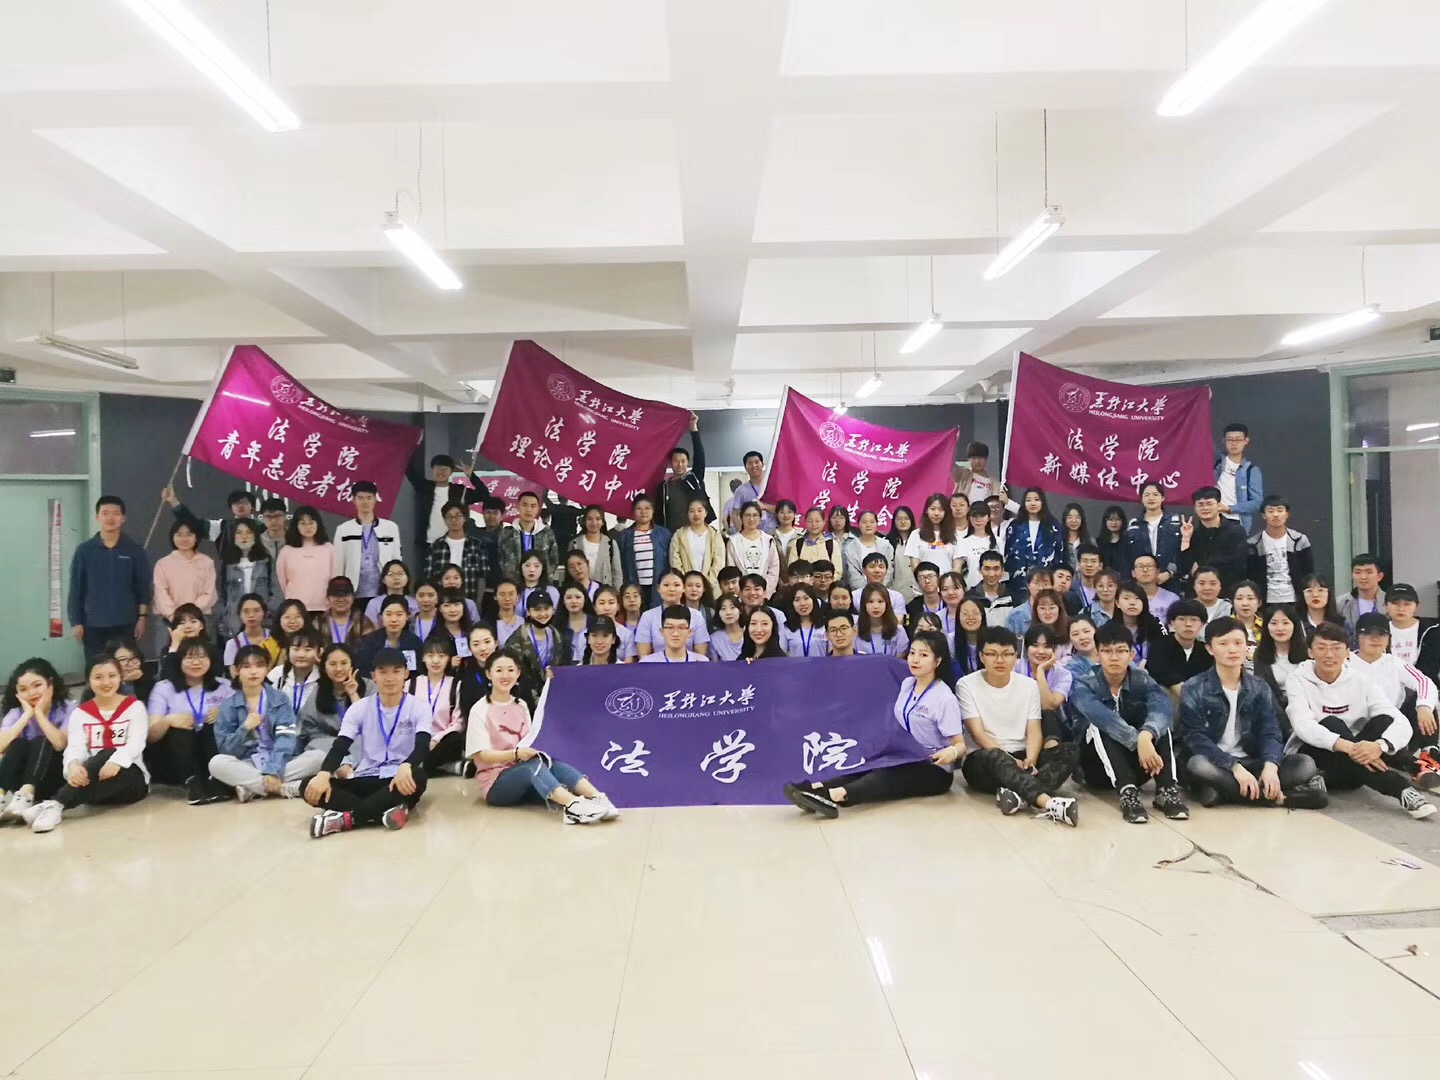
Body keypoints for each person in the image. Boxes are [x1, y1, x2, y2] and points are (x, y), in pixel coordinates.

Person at [784, 631, 965, 818]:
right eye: (912, 653)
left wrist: (950, 752)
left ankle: (833, 796)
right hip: (903, 755)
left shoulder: (944, 698)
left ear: (937, 661)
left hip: (933, 769)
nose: (915, 659)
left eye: (923, 655)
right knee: (868, 765)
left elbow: (960, 745)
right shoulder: (907, 684)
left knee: (885, 775)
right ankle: (816, 788)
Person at [1285, 623, 1435, 819]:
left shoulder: (1362, 680)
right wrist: (1349, 747)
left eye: (1336, 648)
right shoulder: (1297, 679)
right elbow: (1303, 725)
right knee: (1332, 723)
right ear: (1310, 652)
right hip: (1314, 749)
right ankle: (1401, 789)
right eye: (1321, 648)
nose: (1329, 655)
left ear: (1348, 652)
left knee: (1384, 720)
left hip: (1353, 751)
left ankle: (1325, 778)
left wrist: (1379, 746)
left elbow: (1399, 721)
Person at [1181, 618, 1326, 808]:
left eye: (1238, 643)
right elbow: (1195, 737)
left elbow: (1270, 731)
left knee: (1305, 764)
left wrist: (1270, 766)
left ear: (1247, 646)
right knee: (1198, 765)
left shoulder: (1258, 687)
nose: (1232, 649)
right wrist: (1234, 767)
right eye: (1223, 644)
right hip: (1216, 762)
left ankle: (1223, 791)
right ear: (1210, 649)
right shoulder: (1194, 687)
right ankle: (1276, 798)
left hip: (1253, 761)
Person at [950, 626, 1080, 825]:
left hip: (1022, 755)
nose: (1000, 660)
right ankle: (1048, 803)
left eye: (1006, 654)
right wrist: (1011, 760)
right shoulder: (966, 685)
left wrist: (1030, 760)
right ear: (982, 656)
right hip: (985, 759)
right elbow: (978, 734)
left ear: (1016, 656)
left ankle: (1017, 796)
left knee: (1070, 750)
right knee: (994, 756)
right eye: (992, 654)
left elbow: (1034, 730)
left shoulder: (1029, 685)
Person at [465, 652, 615, 824]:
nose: (505, 675)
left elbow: (531, 740)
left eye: (510, 670)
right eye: (499, 670)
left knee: (553, 764)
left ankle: (597, 797)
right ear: (488, 674)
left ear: (518, 673)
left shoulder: (521, 705)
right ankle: (573, 806)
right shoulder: (480, 710)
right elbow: (482, 755)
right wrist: (516, 754)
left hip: (523, 773)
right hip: (496, 784)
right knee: (532, 766)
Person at [302, 647, 432, 837]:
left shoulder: (419, 707)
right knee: (308, 785)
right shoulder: (359, 708)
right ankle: (385, 811)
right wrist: (323, 774)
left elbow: (422, 745)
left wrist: (407, 764)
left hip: (399, 778)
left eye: (396, 671)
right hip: (366, 776)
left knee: (418, 776)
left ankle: (346, 819)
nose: (389, 678)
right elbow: (340, 746)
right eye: (383, 672)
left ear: (406, 674)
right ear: (373, 676)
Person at [1070, 621, 1189, 823]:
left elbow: (1162, 707)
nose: (1114, 657)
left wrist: (1147, 735)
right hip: (1095, 768)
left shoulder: (1142, 679)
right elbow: (1102, 717)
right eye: (1107, 651)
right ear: (1097, 655)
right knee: (1100, 724)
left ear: (1131, 655)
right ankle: (1127, 793)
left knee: (1158, 723)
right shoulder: (1084, 684)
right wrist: (1139, 741)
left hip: (1142, 762)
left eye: (1121, 651)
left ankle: (1166, 790)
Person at [20, 655, 149, 833]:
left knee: (109, 752)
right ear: (88, 681)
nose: (106, 682)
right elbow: (75, 747)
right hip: (92, 784)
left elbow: (136, 743)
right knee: (95, 758)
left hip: (130, 783)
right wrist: (73, 766)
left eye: (112, 676)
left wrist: (116, 761)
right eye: (98, 677)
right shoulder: (80, 713)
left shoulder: (135, 707)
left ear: (120, 677)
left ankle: (55, 803)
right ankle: (55, 806)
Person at [207, 645, 302, 802]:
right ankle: (283, 788)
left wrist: (273, 770)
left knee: (317, 757)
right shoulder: (228, 706)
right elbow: (226, 749)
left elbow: (286, 738)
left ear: (267, 669)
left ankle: (252, 788)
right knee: (216, 763)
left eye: (259, 666)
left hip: (279, 760)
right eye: (246, 666)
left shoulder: (280, 699)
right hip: (248, 763)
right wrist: (244, 728)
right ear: (236, 671)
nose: (253, 672)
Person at [144, 636, 232, 803]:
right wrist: (168, 720)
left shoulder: (225, 686)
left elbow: (240, 723)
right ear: (179, 660)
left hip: (213, 750)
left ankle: (216, 780)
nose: (196, 662)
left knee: (213, 726)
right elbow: (151, 736)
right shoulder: (164, 688)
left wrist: (225, 715)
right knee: (180, 730)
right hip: (175, 756)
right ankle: (192, 783)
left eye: (202, 656)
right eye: (189, 657)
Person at [69, 495, 151, 658]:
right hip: (93, 624)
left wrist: (142, 618)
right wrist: (75, 622)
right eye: (105, 513)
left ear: (123, 518)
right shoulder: (84, 550)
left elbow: (142, 587)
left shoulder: (134, 550)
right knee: (96, 666)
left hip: (126, 623)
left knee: (125, 665)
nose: (110, 518)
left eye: (115, 513)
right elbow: (76, 588)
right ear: (97, 517)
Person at [1352, 612, 1439, 763]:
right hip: (1359, 729)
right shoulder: (1345, 662)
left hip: (1396, 725)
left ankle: (1429, 752)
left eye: (1382, 634)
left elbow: (1424, 682)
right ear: (1357, 636)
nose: (1375, 639)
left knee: (1422, 701)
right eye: (1368, 633)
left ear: (1389, 639)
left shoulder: (1395, 663)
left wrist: (1424, 707)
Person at [0, 659, 73, 820]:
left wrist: (39, 713)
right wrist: (27, 715)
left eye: (37, 685)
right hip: (19, 783)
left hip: (54, 778)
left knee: (42, 740)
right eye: (23, 689)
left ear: (50, 684)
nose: (31, 693)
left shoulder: (67, 708)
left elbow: (60, 744)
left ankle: (27, 793)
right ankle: (1, 795)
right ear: (17, 693)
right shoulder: (16, 714)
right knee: (17, 744)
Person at [292, 644, 369, 783]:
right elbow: (309, 733)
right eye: (332, 664)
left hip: (361, 741)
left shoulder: (369, 686)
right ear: (324, 668)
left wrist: (353, 694)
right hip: (328, 743)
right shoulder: (318, 692)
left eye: (344, 663)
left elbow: (369, 725)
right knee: (316, 751)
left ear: (352, 664)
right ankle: (343, 765)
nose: (339, 669)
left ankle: (347, 767)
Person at [332, 481, 403, 605]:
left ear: (375, 499)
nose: (365, 502)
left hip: (383, 589)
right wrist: (340, 590)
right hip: (354, 590)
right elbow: (338, 563)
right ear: (353, 500)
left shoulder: (390, 527)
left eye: (369, 498)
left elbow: (397, 560)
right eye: (360, 498)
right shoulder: (343, 529)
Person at [408, 638, 465, 776]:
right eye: (430, 656)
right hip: (415, 741)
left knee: (455, 739)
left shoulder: (456, 685)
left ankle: (421, 766)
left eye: (441, 656)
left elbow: (458, 722)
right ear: (423, 658)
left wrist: (436, 739)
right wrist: (423, 741)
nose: (435, 661)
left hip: (441, 743)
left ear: (448, 658)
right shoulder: (410, 685)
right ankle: (449, 767)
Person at [215, 518, 279, 638]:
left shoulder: (267, 562)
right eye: (239, 533)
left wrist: (268, 612)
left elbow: (276, 591)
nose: (244, 537)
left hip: (263, 621)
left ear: (255, 536)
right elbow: (219, 594)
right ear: (233, 537)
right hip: (233, 622)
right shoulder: (225, 565)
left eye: (249, 532)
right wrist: (224, 615)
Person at [1177, 486, 1248, 595]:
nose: (1205, 508)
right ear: (1195, 508)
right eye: (1200, 504)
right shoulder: (1192, 533)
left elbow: (1237, 562)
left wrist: (1201, 564)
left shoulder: (1236, 531)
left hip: (1228, 593)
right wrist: (1186, 539)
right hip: (1197, 595)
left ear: (1219, 506)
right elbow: (1184, 567)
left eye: (1209, 503)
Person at [406, 451, 484, 551]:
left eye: (444, 469)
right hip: (428, 544)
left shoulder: (459, 491)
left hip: (453, 543)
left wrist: (471, 476)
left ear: (451, 472)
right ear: (432, 470)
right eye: (437, 468)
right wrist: (414, 446)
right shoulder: (424, 487)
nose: (440, 472)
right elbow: (409, 471)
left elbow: (483, 495)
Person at [424, 501, 494, 608]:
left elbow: (482, 577)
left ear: (464, 518)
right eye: (449, 516)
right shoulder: (436, 547)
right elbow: (429, 578)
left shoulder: (477, 545)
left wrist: (478, 603)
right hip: (442, 603)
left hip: (470, 600)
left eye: (458, 516)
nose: (453, 520)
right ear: (444, 519)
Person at [1245, 495, 1312, 606]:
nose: (1275, 515)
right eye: (1270, 511)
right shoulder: (1253, 544)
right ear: (1263, 515)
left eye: (1280, 510)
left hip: (1294, 600)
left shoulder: (1299, 540)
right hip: (1265, 601)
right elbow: (1250, 576)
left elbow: (1309, 572)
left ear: (1287, 514)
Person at [151, 519, 217, 629]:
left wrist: (191, 615)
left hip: (199, 619)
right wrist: (174, 616)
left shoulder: (207, 563)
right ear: (172, 537)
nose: (184, 539)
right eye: (179, 534)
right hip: (168, 620)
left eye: (189, 534)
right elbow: (160, 593)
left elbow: (209, 593)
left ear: (196, 538)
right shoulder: (162, 564)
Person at [266, 504, 331, 614]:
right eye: (303, 523)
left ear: (318, 524)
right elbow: (282, 583)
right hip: (295, 609)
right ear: (296, 526)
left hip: (324, 608)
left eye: (311, 523)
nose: (308, 527)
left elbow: (334, 578)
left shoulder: (329, 549)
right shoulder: (286, 551)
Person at [1146, 599, 1214, 702]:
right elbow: (1158, 671)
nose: (1188, 624)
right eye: (1182, 619)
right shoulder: (1159, 646)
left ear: (1202, 624)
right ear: (1172, 623)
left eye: (1194, 620)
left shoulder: (1205, 651)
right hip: (1165, 698)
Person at [655, 412, 711, 530]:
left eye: (683, 461)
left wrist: (693, 428)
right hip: (670, 534)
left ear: (687, 462)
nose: (680, 464)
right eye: (676, 461)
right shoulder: (664, 487)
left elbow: (699, 456)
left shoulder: (693, 479)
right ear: (670, 463)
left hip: (693, 532)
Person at [1004, 488, 1063, 598]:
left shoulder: (1052, 526)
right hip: (1019, 583)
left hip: (1045, 582)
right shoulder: (1015, 526)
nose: (1032, 503)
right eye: (1028, 500)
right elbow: (1008, 555)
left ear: (1042, 502)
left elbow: (1059, 554)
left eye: (1036, 499)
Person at [634, 571, 709, 658]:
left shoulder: (696, 616)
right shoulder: (648, 616)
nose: (671, 589)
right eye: (666, 585)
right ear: (658, 588)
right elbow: (643, 655)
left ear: (683, 588)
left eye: (676, 585)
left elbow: (700, 654)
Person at [616, 494, 672, 609]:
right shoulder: (624, 536)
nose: (643, 512)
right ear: (633, 512)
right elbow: (619, 563)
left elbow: (670, 561)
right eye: (639, 508)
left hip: (658, 586)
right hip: (634, 586)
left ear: (653, 510)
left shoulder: (664, 534)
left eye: (647, 508)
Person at [505, 590, 568, 690]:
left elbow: (565, 667)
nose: (542, 614)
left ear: (553, 609)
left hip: (554, 691)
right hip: (525, 693)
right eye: (537, 609)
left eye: (546, 608)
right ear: (528, 612)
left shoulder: (558, 637)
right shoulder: (517, 639)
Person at [1254, 604, 1308, 711]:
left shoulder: (1309, 652)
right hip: (1273, 711)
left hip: (1307, 708)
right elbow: (1262, 690)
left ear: (1295, 625)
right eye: (1274, 623)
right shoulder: (1260, 653)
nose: (1280, 628)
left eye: (1285, 623)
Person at [1125, 483, 1182, 583]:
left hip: (1170, 579)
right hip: (1141, 580)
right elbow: (1129, 554)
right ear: (1141, 499)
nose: (1151, 498)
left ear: (1163, 498)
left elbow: (1182, 551)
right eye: (1147, 495)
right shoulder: (1134, 524)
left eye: (1155, 494)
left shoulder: (1176, 522)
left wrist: (1170, 572)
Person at [354, 597, 424, 677]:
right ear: (381, 616)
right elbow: (364, 670)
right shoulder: (369, 641)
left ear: (407, 616)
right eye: (388, 614)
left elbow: (417, 672)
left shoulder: (414, 641)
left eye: (399, 614)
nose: (393, 619)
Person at [1384, 583, 1440, 678]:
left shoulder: (1433, 630)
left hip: (1427, 685)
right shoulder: (1379, 630)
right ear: (1386, 605)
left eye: (1407, 604)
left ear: (1417, 606)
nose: (1401, 609)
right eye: (1395, 603)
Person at [1216, 422, 1264, 533]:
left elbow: (1256, 502)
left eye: (1238, 440)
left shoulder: (1251, 470)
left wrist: (1229, 509)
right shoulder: (1215, 463)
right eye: (1230, 440)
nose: (1234, 443)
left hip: (1238, 521)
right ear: (1224, 441)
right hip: (1214, 518)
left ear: (1246, 441)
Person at [725, 501, 781, 596]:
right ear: (741, 517)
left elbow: (774, 568)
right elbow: (732, 570)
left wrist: (765, 593)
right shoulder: (733, 541)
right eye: (747, 515)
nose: (751, 519)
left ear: (760, 517)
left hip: (764, 594)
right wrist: (740, 593)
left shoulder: (768, 540)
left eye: (755, 515)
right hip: (741, 594)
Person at [669, 496, 724, 592]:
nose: (696, 514)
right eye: (691, 511)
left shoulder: (715, 535)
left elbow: (719, 562)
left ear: (706, 513)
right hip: (686, 587)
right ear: (687, 514)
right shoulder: (679, 535)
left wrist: (705, 583)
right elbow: (675, 561)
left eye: (699, 510)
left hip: (710, 587)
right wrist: (688, 582)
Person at [905, 494, 961, 577]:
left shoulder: (955, 535)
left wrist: (946, 581)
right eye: (933, 509)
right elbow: (915, 565)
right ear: (926, 510)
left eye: (941, 510)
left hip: (947, 584)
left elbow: (957, 567)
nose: (936, 513)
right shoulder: (916, 534)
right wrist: (927, 580)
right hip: (924, 583)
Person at [569, 504, 623, 588]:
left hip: (604, 592)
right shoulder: (574, 543)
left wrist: (616, 593)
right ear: (584, 521)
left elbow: (617, 574)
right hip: (580, 591)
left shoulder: (610, 544)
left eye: (598, 519)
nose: (594, 523)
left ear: (602, 522)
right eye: (590, 519)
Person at [221, 594, 281, 669]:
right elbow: (233, 672)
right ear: (240, 615)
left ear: (264, 613)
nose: (251, 615)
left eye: (257, 610)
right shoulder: (233, 644)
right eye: (246, 611)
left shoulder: (276, 637)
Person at [841, 511, 895, 592]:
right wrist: (867, 592)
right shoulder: (850, 548)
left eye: (872, 522)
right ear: (858, 525)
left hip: (883, 591)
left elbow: (889, 572)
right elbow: (852, 575)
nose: (868, 525)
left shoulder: (886, 546)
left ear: (877, 524)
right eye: (864, 522)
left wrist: (879, 589)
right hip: (859, 592)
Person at [1337, 553, 1387, 640]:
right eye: (1358, 572)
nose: (1363, 577)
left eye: (1369, 572)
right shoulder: (1341, 602)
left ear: (1379, 576)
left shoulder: (1389, 602)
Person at [640, 605, 711, 663]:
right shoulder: (647, 663)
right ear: (662, 632)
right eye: (670, 627)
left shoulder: (701, 662)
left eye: (681, 628)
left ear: (690, 632)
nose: (675, 633)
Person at [855, 583, 909, 657]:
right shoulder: (855, 632)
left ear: (887, 603)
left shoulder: (899, 631)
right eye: (870, 601)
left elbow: (901, 659)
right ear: (864, 604)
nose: (876, 606)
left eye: (880, 601)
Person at [729, 450, 777, 532]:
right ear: (745, 468)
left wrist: (765, 507)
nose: (754, 465)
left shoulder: (773, 486)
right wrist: (741, 533)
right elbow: (735, 514)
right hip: (751, 534)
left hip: (774, 533)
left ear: (762, 465)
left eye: (756, 462)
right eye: (750, 463)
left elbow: (782, 510)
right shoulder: (741, 490)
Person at [318, 576, 373, 647]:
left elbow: (370, 648)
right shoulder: (319, 622)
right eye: (336, 595)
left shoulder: (363, 622)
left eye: (345, 595)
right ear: (328, 598)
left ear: (353, 598)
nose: (341, 600)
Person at [967, 550, 1016, 627]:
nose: (991, 574)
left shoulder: (1011, 597)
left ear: (1002, 571)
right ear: (980, 570)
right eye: (987, 569)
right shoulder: (971, 597)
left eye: (996, 569)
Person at [1129, 554, 1179, 627]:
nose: (1145, 570)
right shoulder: (1125, 597)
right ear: (1133, 573)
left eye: (1149, 566)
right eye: (1140, 566)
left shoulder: (1172, 599)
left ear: (1158, 572)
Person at [362, 560, 418, 625]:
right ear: (383, 580)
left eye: (400, 574)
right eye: (390, 574)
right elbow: (369, 627)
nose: (396, 578)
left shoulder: (415, 603)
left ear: (407, 578)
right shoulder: (374, 604)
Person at [1003, 568, 1055, 635]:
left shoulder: (1058, 613)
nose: (1041, 588)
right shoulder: (1015, 616)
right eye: (1036, 583)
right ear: (1028, 585)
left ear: (1052, 586)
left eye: (1045, 584)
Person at [781, 584, 827, 659]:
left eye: (806, 598)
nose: (802, 603)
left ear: (813, 600)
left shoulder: (825, 624)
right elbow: (782, 656)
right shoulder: (786, 628)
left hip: (822, 666)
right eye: (797, 600)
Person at [952, 441, 1005, 505]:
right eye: (974, 458)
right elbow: (949, 463)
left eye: (980, 458)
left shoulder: (995, 482)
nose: (977, 461)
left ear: (986, 459)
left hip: (984, 511)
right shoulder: (963, 474)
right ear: (968, 459)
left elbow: (998, 502)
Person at [884, 505, 919, 599]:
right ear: (894, 521)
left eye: (906, 518)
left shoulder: (919, 540)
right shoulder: (887, 543)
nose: (903, 522)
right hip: (896, 592)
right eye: (899, 519)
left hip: (918, 592)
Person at [591, 586, 636, 661]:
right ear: (594, 606)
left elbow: (628, 664)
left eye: (611, 603)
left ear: (618, 606)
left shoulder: (627, 634)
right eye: (601, 603)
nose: (607, 608)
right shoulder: (586, 633)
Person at [906, 562, 946, 630]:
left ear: (938, 578)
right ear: (917, 582)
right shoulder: (911, 608)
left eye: (930, 576)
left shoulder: (949, 602)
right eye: (922, 578)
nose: (927, 581)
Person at [707, 596, 746, 661]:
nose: (728, 613)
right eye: (723, 609)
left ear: (740, 610)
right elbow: (714, 665)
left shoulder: (750, 632)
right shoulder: (714, 639)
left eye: (732, 608)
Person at [1095, 506, 1130, 575]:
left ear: (1122, 521)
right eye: (1110, 519)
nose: (1114, 523)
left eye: (1117, 519)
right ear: (1105, 522)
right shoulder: (1098, 543)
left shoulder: (1128, 542)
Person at [493, 581, 525, 648]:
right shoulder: (490, 623)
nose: (507, 599)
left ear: (518, 596)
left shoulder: (524, 622)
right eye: (502, 595)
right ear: (495, 597)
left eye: (511, 594)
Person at [1060, 503, 1090, 569]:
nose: (1074, 521)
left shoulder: (1090, 541)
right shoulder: (1059, 541)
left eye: (1077, 517)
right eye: (1069, 517)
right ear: (1064, 520)